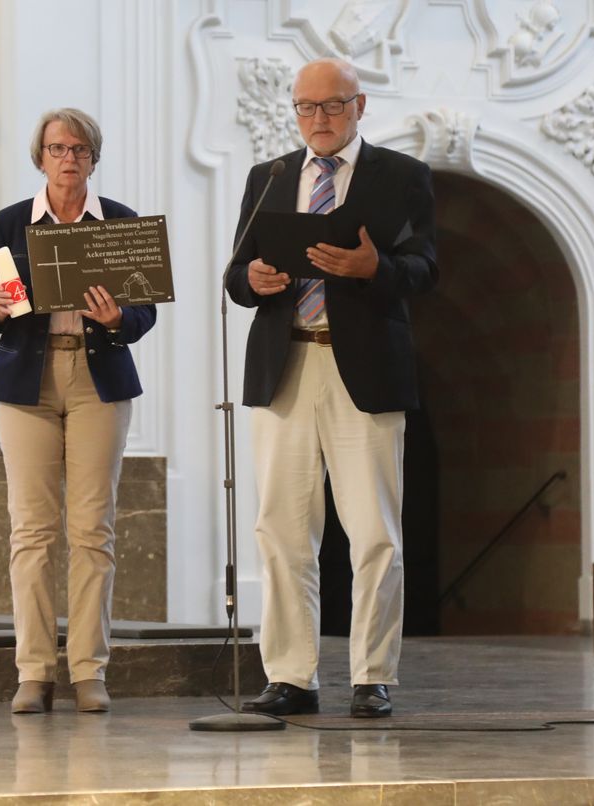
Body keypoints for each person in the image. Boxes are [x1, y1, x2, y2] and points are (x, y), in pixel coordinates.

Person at [224, 58, 438, 718]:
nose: (319, 120)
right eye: (306, 108)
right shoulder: (271, 177)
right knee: (281, 529)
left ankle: (373, 676)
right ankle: (291, 675)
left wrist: (376, 268)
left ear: (360, 106)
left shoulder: (402, 176)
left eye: (333, 107)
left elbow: (425, 267)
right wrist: (252, 279)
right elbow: (236, 274)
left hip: (365, 372)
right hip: (285, 365)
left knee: (375, 532)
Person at [0, 109, 156, 714]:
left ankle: (89, 670)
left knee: (92, 530)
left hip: (97, 378)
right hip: (28, 378)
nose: (67, 158)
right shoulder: (8, 222)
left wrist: (117, 318)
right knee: (31, 530)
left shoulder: (121, 222)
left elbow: (144, 312)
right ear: (40, 157)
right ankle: (33, 671)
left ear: (93, 158)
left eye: (78, 149)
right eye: (56, 148)